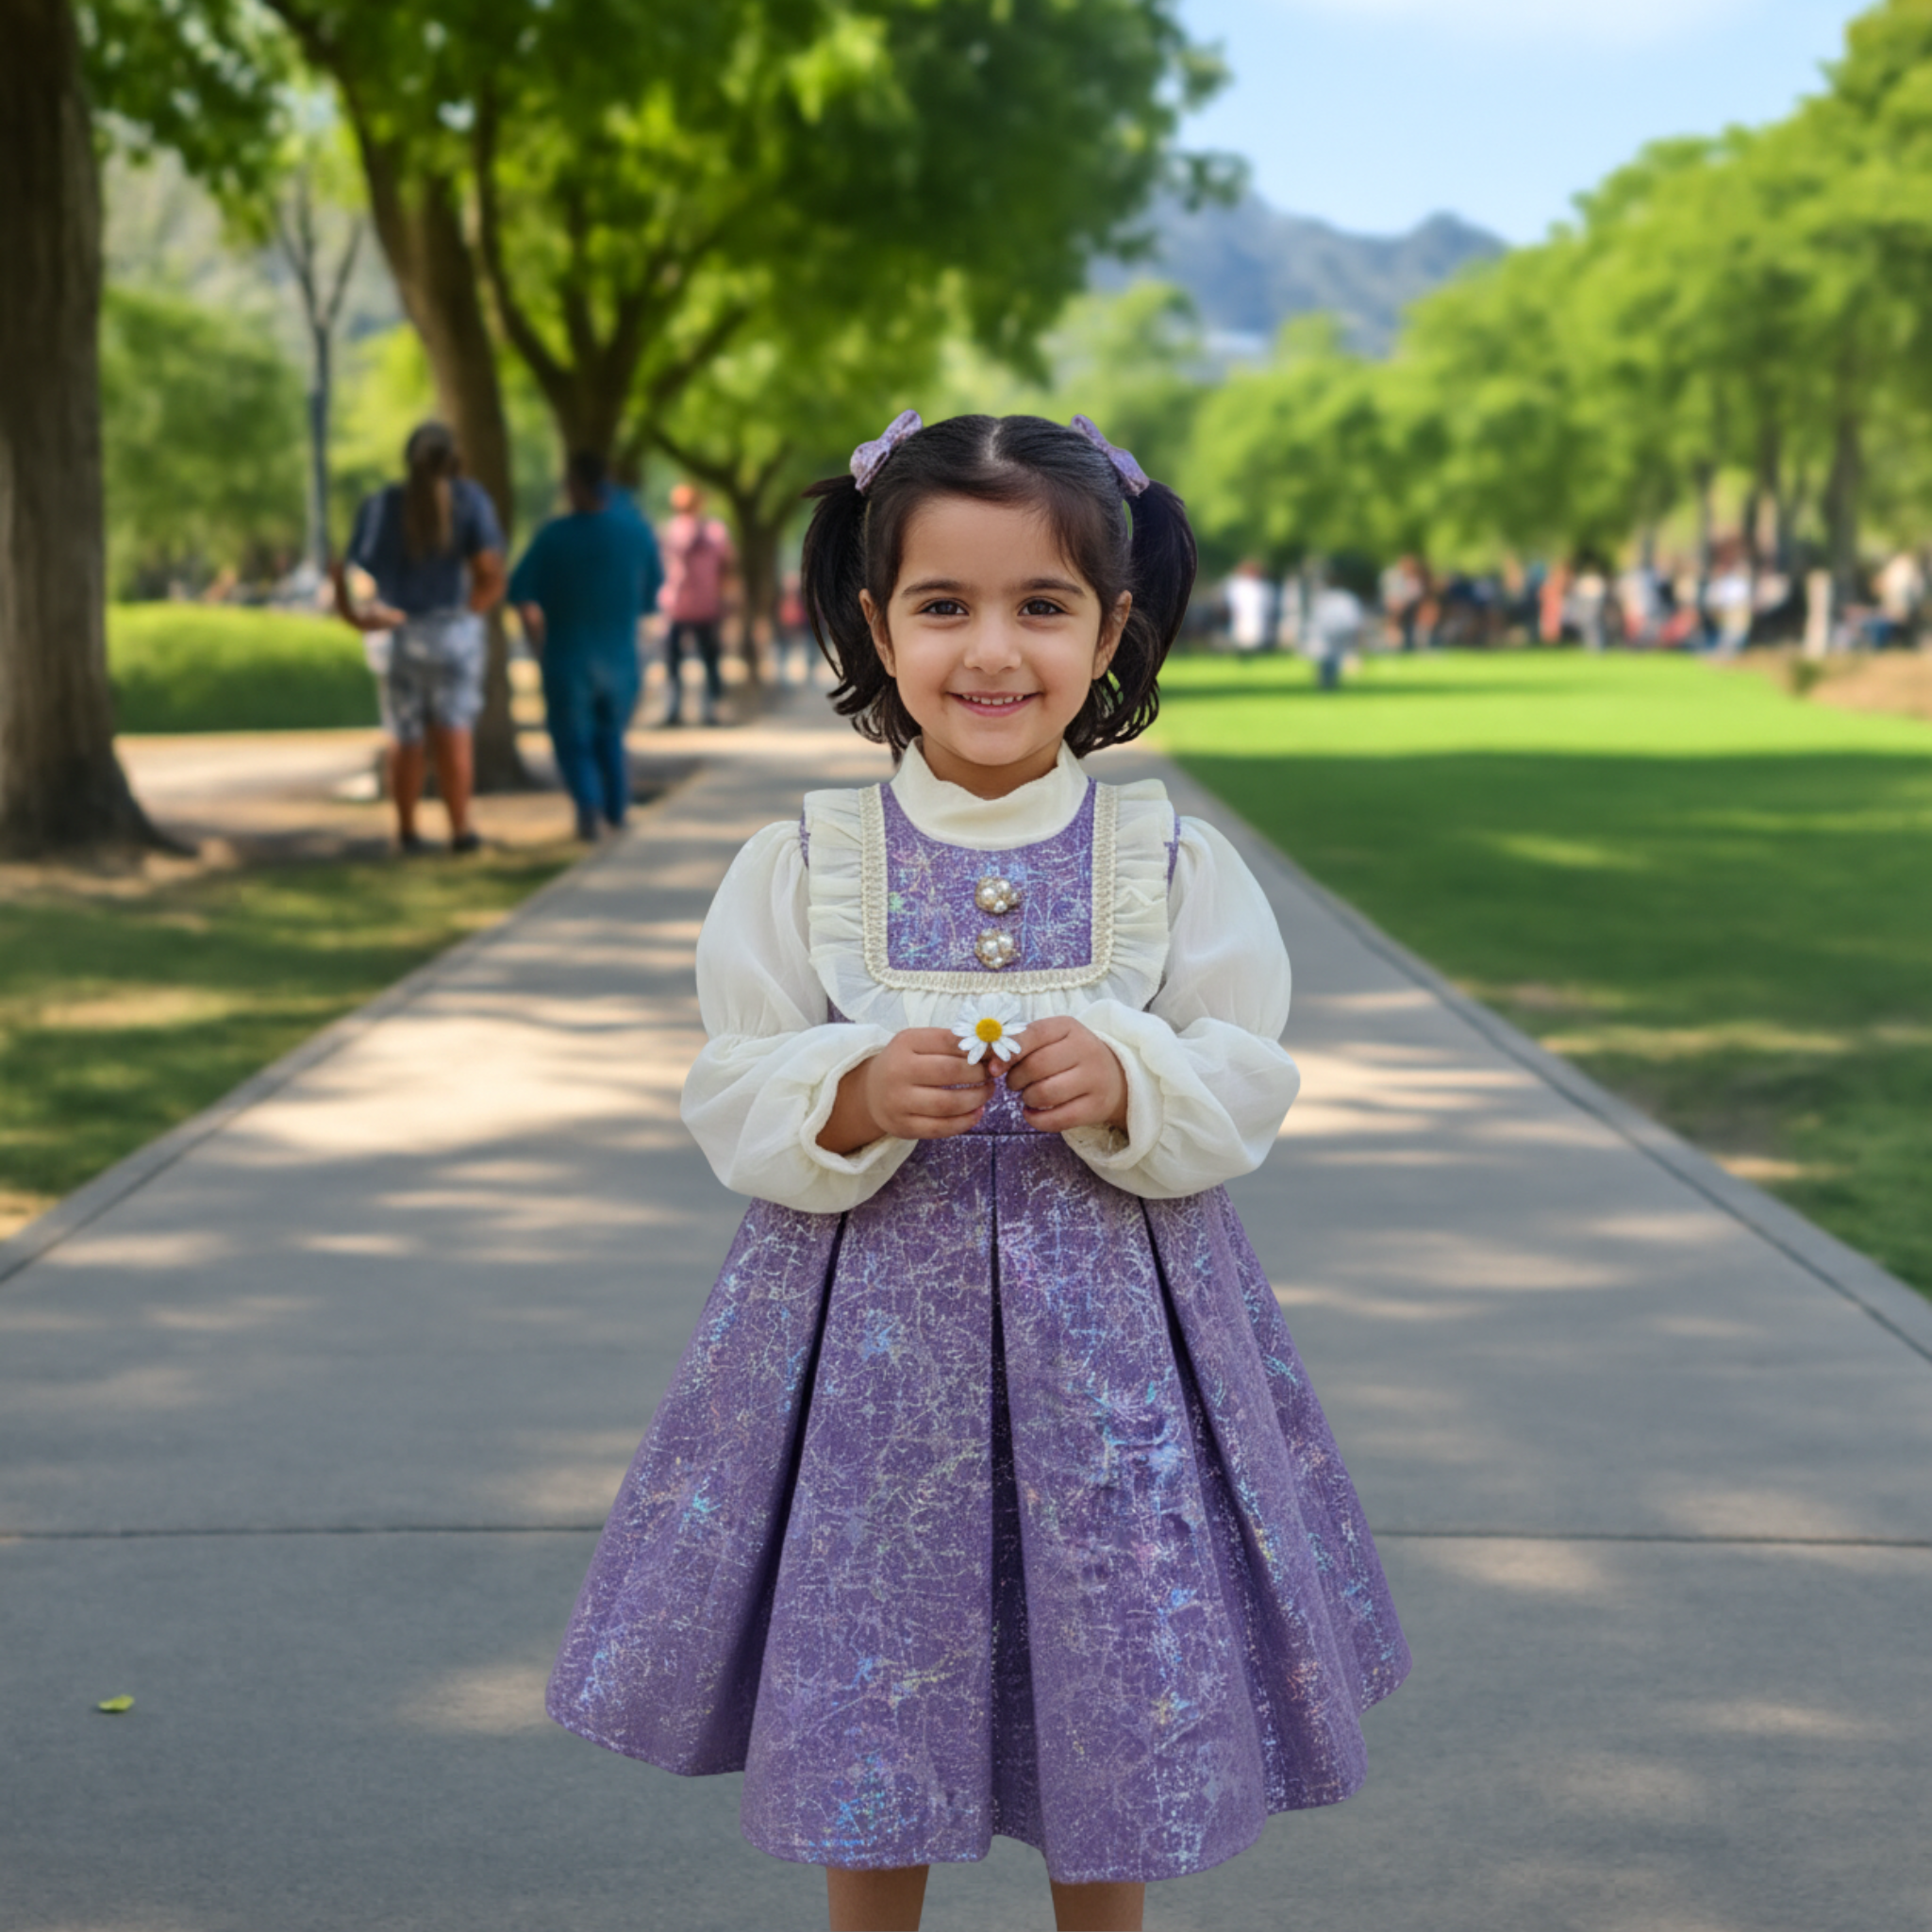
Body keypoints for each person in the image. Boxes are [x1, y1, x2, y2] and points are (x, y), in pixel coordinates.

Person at [545, 411, 1409, 1932]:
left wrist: (1140, 1074)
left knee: (1108, 1659)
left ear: (1113, 628)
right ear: (875, 626)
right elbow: (732, 1082)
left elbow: (1248, 1075)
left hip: (1117, 1368)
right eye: (944, 606)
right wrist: (849, 1089)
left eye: (1043, 606)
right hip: (871, 1375)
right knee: (875, 1659)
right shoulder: (809, 866)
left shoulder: (1173, 868)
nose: (991, 651)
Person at [334, 422, 506, 854]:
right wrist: (468, 614)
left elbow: (355, 573)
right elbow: (489, 571)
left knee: (403, 735)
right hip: (451, 634)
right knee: (454, 731)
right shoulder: (471, 500)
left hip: (394, 636)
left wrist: (356, 615)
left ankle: (406, 831)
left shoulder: (381, 504)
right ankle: (461, 830)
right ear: (454, 458)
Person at [508, 451, 663, 841]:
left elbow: (520, 592)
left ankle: (589, 809)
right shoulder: (635, 531)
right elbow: (651, 594)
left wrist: (536, 642)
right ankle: (617, 810)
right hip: (619, 655)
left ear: (575, 485)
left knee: (572, 739)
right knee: (610, 735)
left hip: (566, 653)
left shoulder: (552, 536)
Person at [658, 481, 737, 725]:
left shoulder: (711, 531)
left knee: (704, 660)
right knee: (682, 662)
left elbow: (727, 567)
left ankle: (707, 709)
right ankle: (679, 709)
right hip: (681, 606)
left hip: (697, 606)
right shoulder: (673, 531)